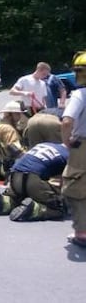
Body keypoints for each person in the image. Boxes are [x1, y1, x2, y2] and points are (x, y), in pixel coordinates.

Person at [0, 142, 68, 222]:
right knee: (58, 208)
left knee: (18, 198)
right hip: (32, 179)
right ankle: (35, 208)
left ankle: (3, 201)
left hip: (14, 176)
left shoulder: (45, 144)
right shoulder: (69, 155)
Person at [62, 51, 86, 248]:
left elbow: (67, 120)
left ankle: (82, 233)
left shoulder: (80, 94)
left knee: (76, 187)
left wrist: (66, 141)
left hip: (82, 147)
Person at [0, 101, 27, 180]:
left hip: (3, 163)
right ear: (10, 114)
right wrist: (28, 157)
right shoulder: (8, 128)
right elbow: (13, 147)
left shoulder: (1, 124)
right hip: (9, 166)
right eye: (17, 114)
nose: (20, 116)